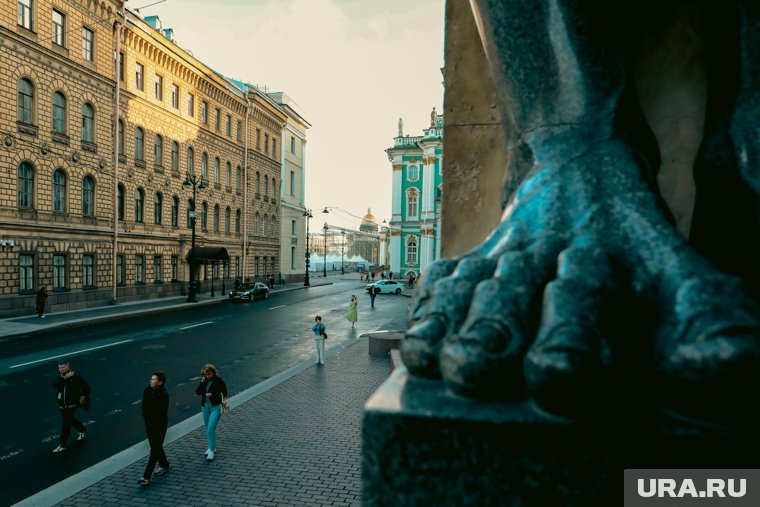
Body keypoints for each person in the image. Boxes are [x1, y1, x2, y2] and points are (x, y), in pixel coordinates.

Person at [51, 361, 90, 453]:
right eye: (60, 368)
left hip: (71, 405)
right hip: (62, 405)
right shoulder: (60, 377)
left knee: (66, 423)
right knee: (70, 420)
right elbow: (54, 384)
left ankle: (62, 445)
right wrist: (65, 377)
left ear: (68, 366)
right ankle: (82, 429)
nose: (61, 369)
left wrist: (83, 397)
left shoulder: (76, 376)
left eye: (63, 367)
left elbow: (87, 387)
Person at [138, 371, 170, 486]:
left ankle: (146, 477)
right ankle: (165, 465)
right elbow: (144, 405)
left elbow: (161, 412)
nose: (151, 381)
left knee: (154, 450)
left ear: (160, 382)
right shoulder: (148, 390)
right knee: (156, 447)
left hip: (159, 425)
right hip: (149, 423)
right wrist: (146, 418)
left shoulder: (163, 395)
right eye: (151, 378)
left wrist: (151, 419)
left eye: (154, 379)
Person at [195, 364, 228, 462]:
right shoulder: (204, 381)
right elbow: (197, 392)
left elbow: (225, 392)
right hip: (205, 407)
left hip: (215, 407)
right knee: (208, 428)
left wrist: (213, 394)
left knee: (210, 428)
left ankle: (211, 451)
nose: (208, 376)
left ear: (213, 372)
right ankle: (211, 447)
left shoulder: (218, 381)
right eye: (206, 374)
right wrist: (202, 384)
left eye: (209, 374)